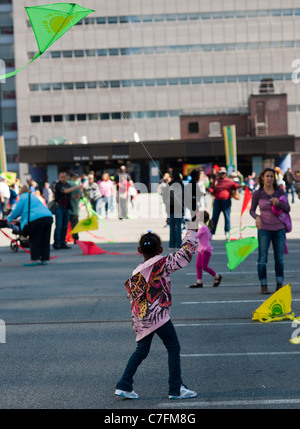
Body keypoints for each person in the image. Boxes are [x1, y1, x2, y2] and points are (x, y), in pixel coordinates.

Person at [115, 226, 198, 400]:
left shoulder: (137, 270)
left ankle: (124, 384)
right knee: (173, 348)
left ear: (139, 250)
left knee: (141, 350)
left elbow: (134, 298)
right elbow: (185, 254)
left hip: (143, 317)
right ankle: (176, 388)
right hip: (158, 316)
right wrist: (192, 229)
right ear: (160, 250)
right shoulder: (162, 263)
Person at [250, 167, 290, 295]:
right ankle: (264, 284)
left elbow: (287, 208)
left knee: (279, 258)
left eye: (272, 176)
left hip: (279, 229)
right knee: (262, 258)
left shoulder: (279, 191)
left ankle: (279, 283)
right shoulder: (258, 193)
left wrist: (278, 203)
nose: (269, 178)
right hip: (264, 229)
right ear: (262, 178)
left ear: (275, 178)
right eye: (267, 176)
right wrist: (256, 217)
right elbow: (251, 210)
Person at [6, 186, 53, 266]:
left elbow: (17, 210)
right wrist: (19, 220)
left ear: (20, 192)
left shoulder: (23, 197)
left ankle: (34, 259)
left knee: (34, 239)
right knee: (45, 239)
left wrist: (9, 219)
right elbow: (31, 210)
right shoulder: (34, 197)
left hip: (36, 220)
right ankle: (44, 259)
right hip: (48, 216)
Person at [189, 211, 222, 288]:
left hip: (206, 250)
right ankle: (199, 282)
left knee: (204, 266)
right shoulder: (205, 227)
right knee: (198, 265)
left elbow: (195, 236)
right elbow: (208, 237)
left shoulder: (203, 228)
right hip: (202, 249)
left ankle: (217, 276)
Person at [208, 167, 240, 239]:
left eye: (223, 173)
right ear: (218, 174)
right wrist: (208, 189)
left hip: (226, 201)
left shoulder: (229, 181)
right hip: (217, 201)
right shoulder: (216, 181)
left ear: (225, 174)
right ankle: (211, 233)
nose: (221, 175)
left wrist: (243, 186)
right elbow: (212, 190)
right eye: (220, 173)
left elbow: (236, 186)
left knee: (227, 217)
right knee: (214, 217)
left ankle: (227, 232)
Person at [53, 170, 82, 249]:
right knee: (59, 226)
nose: (63, 179)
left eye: (64, 177)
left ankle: (63, 243)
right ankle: (56, 243)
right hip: (59, 207)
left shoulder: (68, 185)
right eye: (61, 177)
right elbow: (65, 191)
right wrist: (76, 187)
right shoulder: (58, 185)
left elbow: (68, 197)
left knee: (65, 226)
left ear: (67, 177)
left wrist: (75, 197)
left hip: (66, 208)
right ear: (59, 177)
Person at [167, 171, 184, 248]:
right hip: (179, 207)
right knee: (178, 226)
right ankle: (179, 244)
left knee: (172, 226)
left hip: (171, 207)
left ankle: (171, 244)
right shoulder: (181, 184)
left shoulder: (169, 184)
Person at [67, 171, 83, 242]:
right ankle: (75, 239)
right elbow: (82, 195)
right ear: (74, 177)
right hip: (74, 208)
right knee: (75, 225)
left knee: (64, 225)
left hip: (65, 208)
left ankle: (62, 240)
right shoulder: (75, 185)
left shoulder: (65, 184)